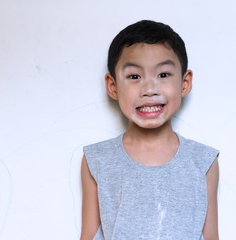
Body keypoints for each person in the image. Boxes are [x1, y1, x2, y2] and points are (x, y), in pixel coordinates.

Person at [80, 20, 219, 240]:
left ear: (185, 83)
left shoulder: (203, 160)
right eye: (134, 76)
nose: (149, 90)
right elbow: (88, 235)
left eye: (163, 75)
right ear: (113, 86)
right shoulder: (97, 159)